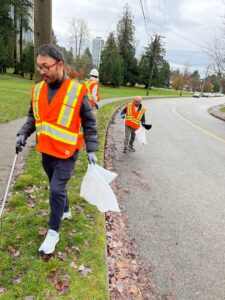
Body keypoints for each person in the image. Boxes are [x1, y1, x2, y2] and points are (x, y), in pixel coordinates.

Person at [15, 44, 98, 255]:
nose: (42, 72)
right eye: (38, 67)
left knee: (56, 189)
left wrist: (91, 150)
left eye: (45, 67)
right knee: (55, 185)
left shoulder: (77, 90)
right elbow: (32, 118)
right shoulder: (37, 90)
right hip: (46, 152)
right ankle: (66, 210)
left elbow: (89, 122)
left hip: (67, 153)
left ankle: (53, 232)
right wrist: (22, 134)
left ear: (59, 65)